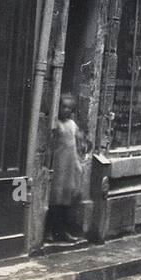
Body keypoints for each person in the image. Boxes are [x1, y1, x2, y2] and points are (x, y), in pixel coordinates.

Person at [47, 93, 87, 244]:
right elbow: (51, 145)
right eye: (64, 107)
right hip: (58, 166)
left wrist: (78, 164)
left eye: (69, 108)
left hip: (70, 167)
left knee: (66, 199)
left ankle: (62, 231)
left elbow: (78, 142)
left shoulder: (72, 124)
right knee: (54, 200)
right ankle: (50, 231)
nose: (66, 110)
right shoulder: (56, 124)